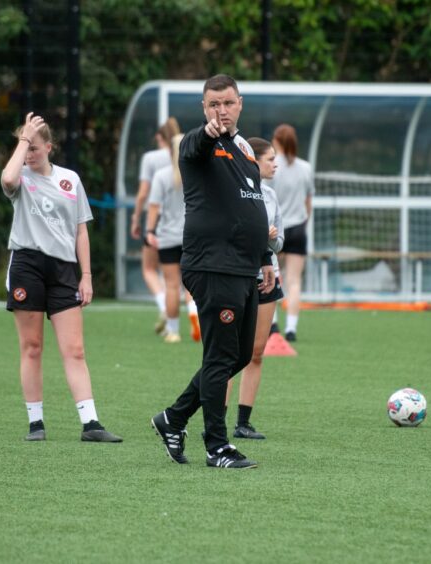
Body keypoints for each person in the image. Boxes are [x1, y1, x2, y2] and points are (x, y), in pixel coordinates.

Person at [151, 75, 274, 470]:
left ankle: (173, 418)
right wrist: (207, 132)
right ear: (204, 109)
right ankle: (217, 447)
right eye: (213, 105)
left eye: (227, 103)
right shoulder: (193, 144)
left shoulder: (244, 148)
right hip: (212, 265)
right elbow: (198, 143)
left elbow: (253, 205)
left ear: (240, 103)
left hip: (244, 267)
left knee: (239, 354)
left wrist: (266, 259)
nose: (221, 111)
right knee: (221, 355)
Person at [0, 112, 122, 443]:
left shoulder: (70, 179)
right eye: (25, 148)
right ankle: (36, 423)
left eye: (36, 148)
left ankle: (91, 424)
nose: (30, 155)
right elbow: (7, 180)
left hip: (64, 268)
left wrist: (86, 276)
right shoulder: (20, 177)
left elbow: (81, 230)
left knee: (75, 349)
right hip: (27, 264)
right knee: (32, 346)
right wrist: (24, 138)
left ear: (50, 147)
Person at [226, 137, 284, 440]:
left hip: (268, 277)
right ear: (253, 161)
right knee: (228, 352)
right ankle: (216, 421)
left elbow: (280, 241)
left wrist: (271, 238)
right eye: (270, 159)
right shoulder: (233, 191)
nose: (275, 164)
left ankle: (243, 422)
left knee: (255, 353)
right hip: (238, 276)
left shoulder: (272, 196)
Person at [145, 134, 201, 343]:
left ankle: (173, 330)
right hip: (192, 237)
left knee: (171, 285)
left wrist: (149, 231)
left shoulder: (162, 176)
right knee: (192, 285)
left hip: (168, 237)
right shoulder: (196, 173)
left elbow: (154, 207)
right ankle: (194, 312)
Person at [130, 118, 181, 336]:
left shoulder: (152, 160)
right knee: (190, 281)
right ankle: (194, 313)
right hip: (190, 231)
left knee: (152, 270)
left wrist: (137, 219)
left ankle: (166, 313)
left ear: (160, 138)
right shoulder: (191, 162)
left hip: (162, 225)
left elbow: (144, 194)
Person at [270, 124, 315, 342]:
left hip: (276, 228)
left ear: (276, 141)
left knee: (272, 276)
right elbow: (309, 203)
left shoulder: (272, 166)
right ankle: (291, 328)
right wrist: (304, 222)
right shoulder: (305, 167)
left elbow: (266, 198)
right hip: (298, 227)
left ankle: (273, 325)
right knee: (294, 281)